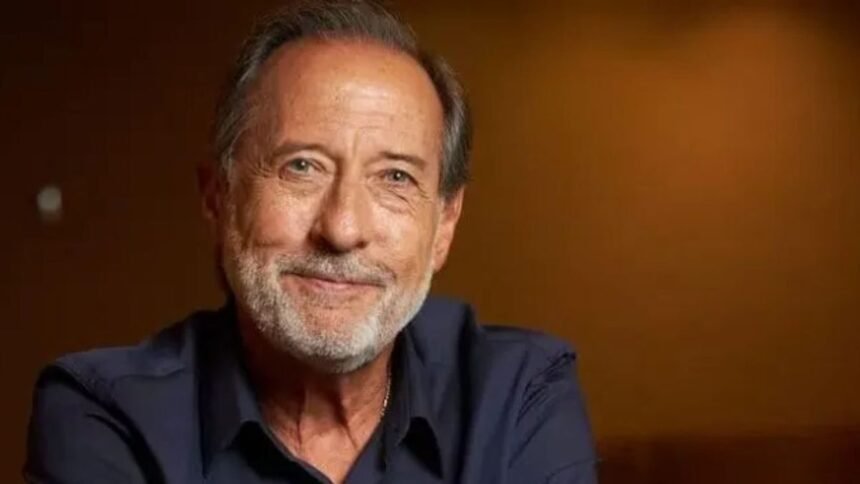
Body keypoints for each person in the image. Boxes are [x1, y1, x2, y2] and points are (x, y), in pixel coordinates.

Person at [25, 1, 596, 482]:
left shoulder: (520, 395)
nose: (342, 229)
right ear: (219, 198)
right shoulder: (106, 414)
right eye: (302, 166)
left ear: (445, 224)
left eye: (395, 178)